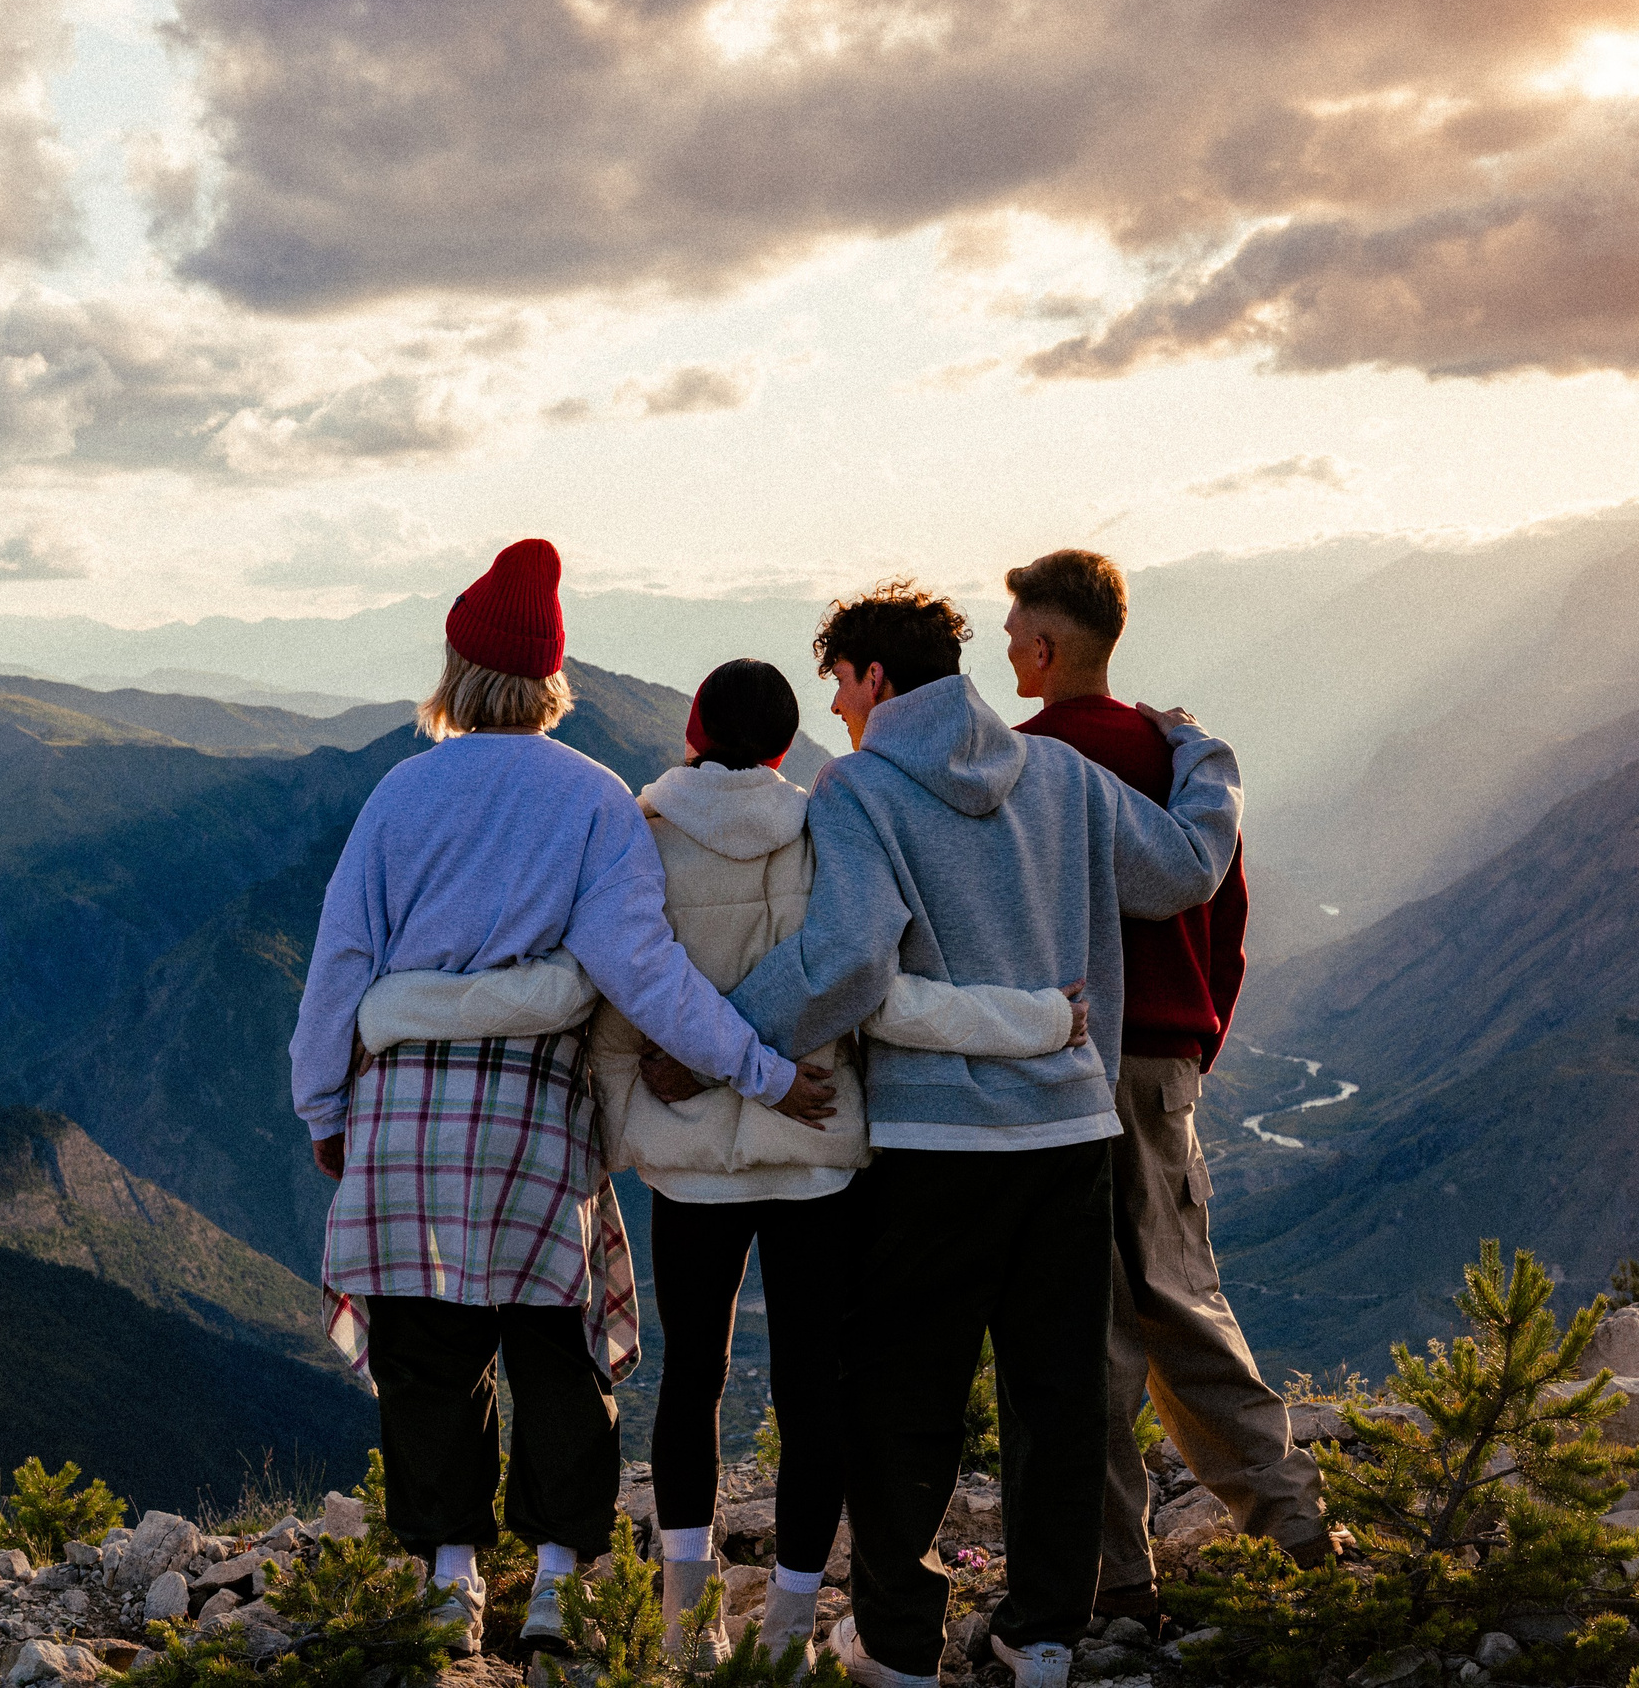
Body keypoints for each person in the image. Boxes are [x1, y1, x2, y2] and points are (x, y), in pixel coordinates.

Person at [362, 659, 1083, 1671]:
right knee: (811, 1389)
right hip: (815, 1154)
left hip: (689, 1167)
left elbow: (615, 996)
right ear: (788, 743)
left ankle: (683, 1622)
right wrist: (1040, 1022)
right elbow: (860, 980)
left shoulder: (642, 833)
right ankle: (790, 1623)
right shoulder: (829, 828)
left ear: (693, 729)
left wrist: (632, 1121)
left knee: (691, 1379)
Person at [286, 539, 836, 1660]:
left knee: (430, 1357)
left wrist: (323, 1107)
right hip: (532, 1105)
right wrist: (763, 1071)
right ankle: (553, 1579)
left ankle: (450, 1580)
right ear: (551, 680)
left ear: (456, 668)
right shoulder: (593, 801)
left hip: (400, 1106)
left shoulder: (400, 793)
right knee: (554, 1350)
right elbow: (645, 973)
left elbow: (339, 962)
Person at [722, 581, 1242, 1688]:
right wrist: (1203, 754)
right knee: (1055, 1393)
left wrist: (727, 1032)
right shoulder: (1063, 776)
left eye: (842, 689)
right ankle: (1042, 1636)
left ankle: (902, 1647)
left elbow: (853, 956)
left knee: (903, 1394)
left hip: (936, 1142)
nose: (841, 713)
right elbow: (1186, 869)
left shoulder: (856, 788)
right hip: (1070, 1133)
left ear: (871, 680)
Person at [1000, 548, 1331, 1614]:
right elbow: (1226, 921)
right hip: (1159, 1067)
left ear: (1045, 648)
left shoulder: (1018, 769)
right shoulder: (1178, 761)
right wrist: (1191, 1045)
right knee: (1187, 1306)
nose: (1006, 647)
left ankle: (1116, 1576)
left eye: (1013, 632)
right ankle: (1298, 1532)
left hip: (1057, 1069)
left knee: (1079, 1332)